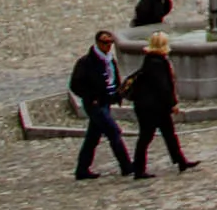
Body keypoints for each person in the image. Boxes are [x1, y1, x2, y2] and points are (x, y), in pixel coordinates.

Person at [126, 32, 197, 177]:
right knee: (146, 137)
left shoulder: (152, 60)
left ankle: (181, 161)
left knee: (169, 134)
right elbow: (163, 87)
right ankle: (139, 170)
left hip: (152, 106)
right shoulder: (157, 63)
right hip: (151, 108)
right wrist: (173, 104)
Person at [69, 31, 134, 179]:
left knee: (92, 137)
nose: (108, 46)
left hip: (106, 103)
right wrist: (91, 97)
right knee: (114, 132)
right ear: (98, 43)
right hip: (95, 105)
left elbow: (113, 79)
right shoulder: (86, 62)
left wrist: (118, 93)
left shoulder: (110, 60)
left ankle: (82, 169)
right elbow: (75, 84)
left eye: (111, 42)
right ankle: (126, 165)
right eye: (105, 42)